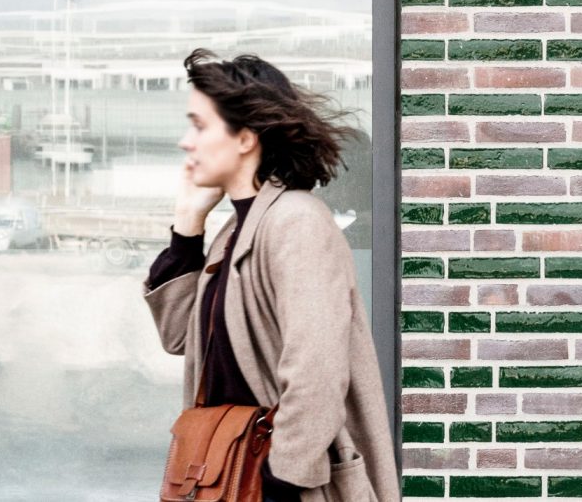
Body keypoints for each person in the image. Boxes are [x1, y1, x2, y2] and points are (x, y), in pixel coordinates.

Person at [142, 48, 399, 502]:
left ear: (245, 138)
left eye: (200, 126)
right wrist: (188, 225)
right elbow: (179, 336)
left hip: (279, 486)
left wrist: (281, 480)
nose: (186, 142)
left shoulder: (296, 221)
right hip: (229, 475)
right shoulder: (236, 231)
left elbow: (317, 371)